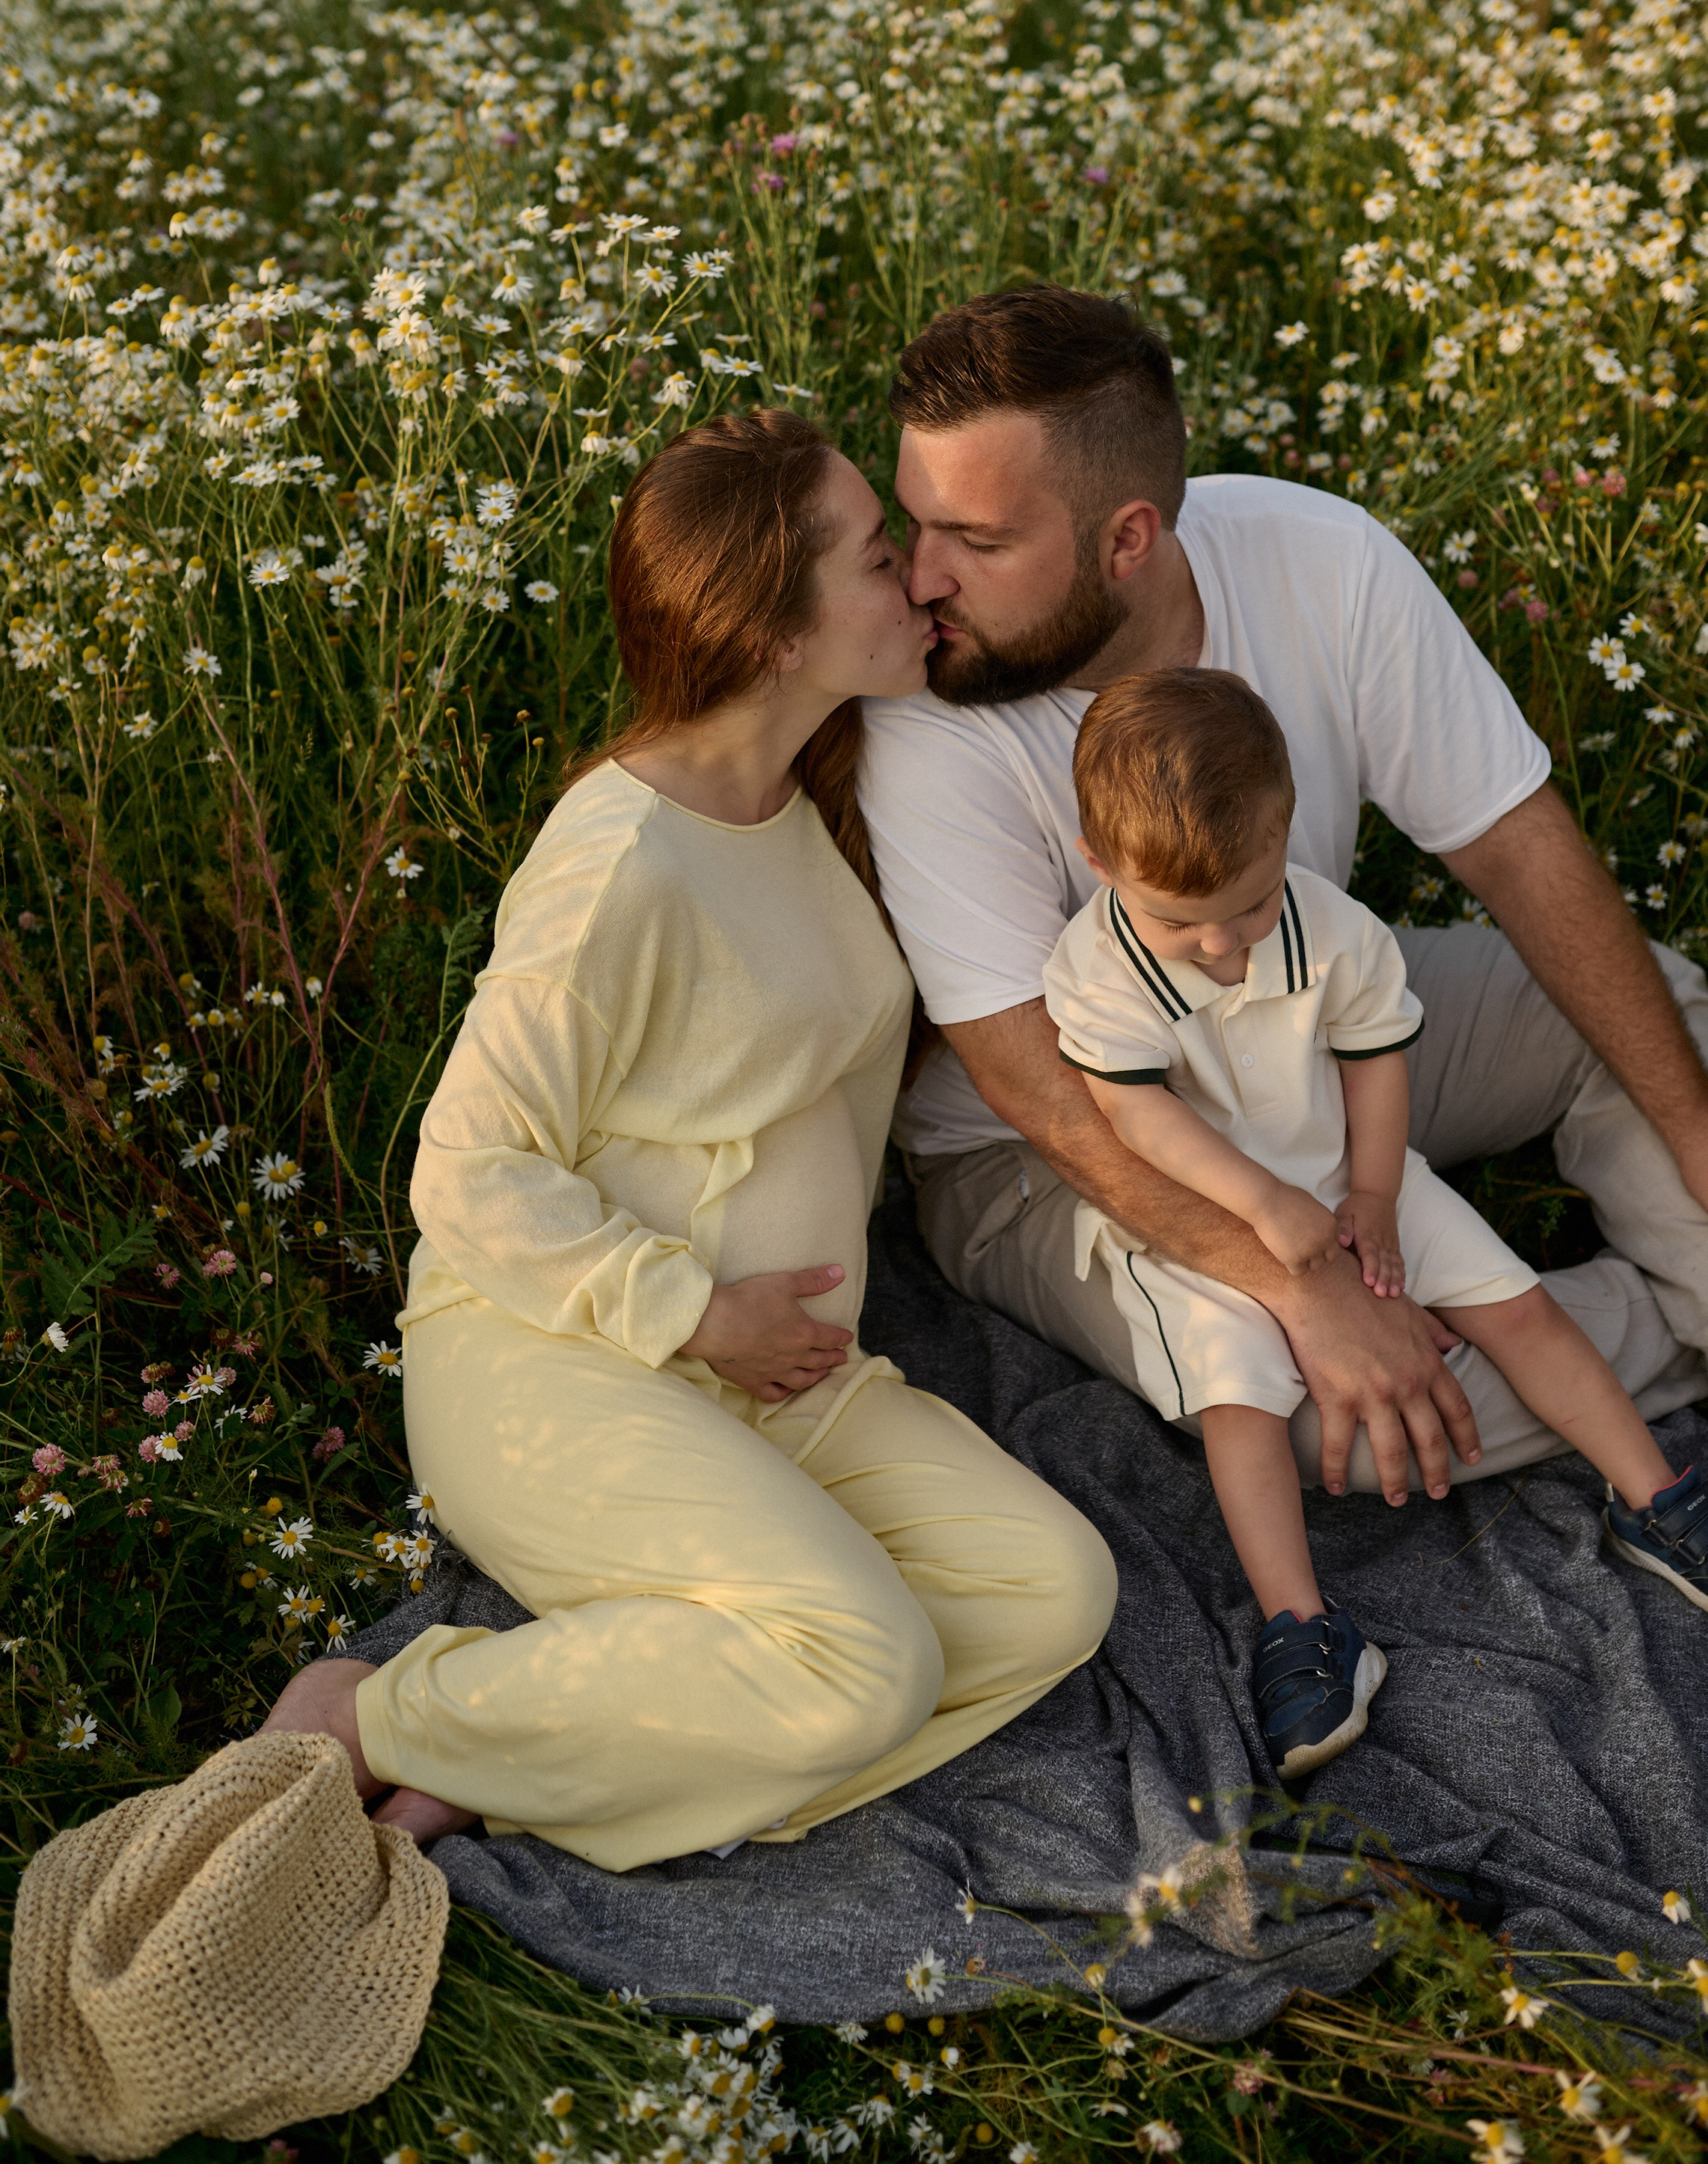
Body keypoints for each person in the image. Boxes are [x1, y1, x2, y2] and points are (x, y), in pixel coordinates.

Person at [264, 408, 1116, 1867]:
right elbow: (464, 1167)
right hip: (568, 1363)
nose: (917, 577)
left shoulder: (812, 794)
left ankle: (546, 1748)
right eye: (876, 556)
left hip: (776, 1377)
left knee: (1055, 1593)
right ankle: (378, 1713)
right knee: (870, 1662)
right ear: (774, 634)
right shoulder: (620, 864)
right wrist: (697, 1314)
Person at [859, 284, 1708, 1505]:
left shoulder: (1319, 559)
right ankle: (1650, 1325)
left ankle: (1630, 1306)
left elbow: (1520, 851)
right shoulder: (925, 715)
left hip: (1309, 1028)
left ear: (1128, 539)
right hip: (1048, 1149)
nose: (922, 579)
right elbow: (1033, 1087)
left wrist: (1694, 1138)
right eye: (914, 522)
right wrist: (1304, 1290)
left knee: (1653, 1017)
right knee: (1310, 1416)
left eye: (977, 542)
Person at [1043, 667, 1708, 1779]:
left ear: (1282, 834)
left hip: (1348, 1172)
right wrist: (1265, 1205)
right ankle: (1301, 1624)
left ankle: (1655, 1496)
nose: (1223, 946)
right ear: (1100, 863)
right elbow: (1135, 1114)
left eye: (1249, 907)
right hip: (1209, 1222)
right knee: (1241, 1399)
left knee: (1517, 1306)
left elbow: (1374, 1061)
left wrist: (1376, 1195)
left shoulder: (1331, 928)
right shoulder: (1095, 969)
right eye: (1181, 922)